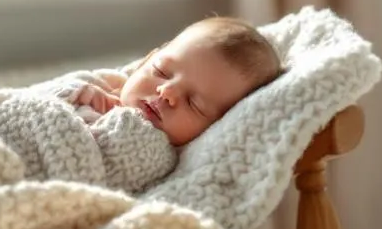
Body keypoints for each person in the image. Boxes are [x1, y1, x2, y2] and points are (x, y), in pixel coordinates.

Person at [63, 17, 283, 146]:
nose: (167, 91)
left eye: (193, 103)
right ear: (145, 61)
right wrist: (72, 98)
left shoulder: (156, 156)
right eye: (161, 72)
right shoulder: (96, 86)